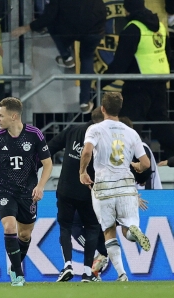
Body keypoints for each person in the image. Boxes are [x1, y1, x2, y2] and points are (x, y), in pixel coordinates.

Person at [0, 97, 53, 287]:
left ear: (13, 116)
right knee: (9, 227)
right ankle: (18, 273)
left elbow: (48, 164)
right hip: (5, 189)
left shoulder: (34, 135)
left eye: (0, 115)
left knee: (24, 235)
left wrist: (40, 186)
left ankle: (15, 265)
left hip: (28, 191)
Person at [79, 92, 151, 282]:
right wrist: (135, 165)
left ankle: (122, 274)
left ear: (102, 109)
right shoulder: (130, 132)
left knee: (109, 230)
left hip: (103, 187)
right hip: (126, 186)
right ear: (119, 109)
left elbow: (86, 151)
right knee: (128, 227)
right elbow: (146, 163)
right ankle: (135, 231)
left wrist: (82, 171)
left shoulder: (95, 129)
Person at [100, 0, 174, 157]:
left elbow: (121, 62)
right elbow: (168, 55)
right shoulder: (160, 25)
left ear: (127, 10)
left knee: (129, 123)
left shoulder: (132, 29)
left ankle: (126, 159)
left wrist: (102, 81)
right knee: (160, 122)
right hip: (160, 81)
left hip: (138, 85)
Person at [12, 0, 106, 114]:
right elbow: (102, 10)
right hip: (94, 30)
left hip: (70, 30)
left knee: (52, 24)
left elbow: (48, 18)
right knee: (87, 59)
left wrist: (27, 27)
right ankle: (84, 102)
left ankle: (66, 57)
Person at [46, 107, 104, 282]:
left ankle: (67, 265)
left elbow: (50, 148)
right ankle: (87, 272)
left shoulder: (73, 130)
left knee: (65, 226)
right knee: (92, 227)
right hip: (88, 191)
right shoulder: (102, 137)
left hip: (65, 189)